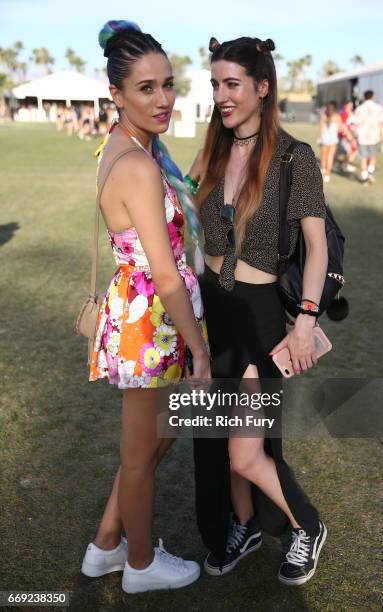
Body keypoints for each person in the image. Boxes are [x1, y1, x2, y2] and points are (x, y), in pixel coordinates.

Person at [187, 35, 328, 586]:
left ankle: (307, 525)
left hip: (258, 314)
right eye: (216, 84)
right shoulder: (213, 151)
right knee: (223, 445)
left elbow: (316, 247)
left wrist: (307, 322)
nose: (221, 95)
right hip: (211, 310)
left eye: (232, 84)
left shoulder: (296, 157)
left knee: (246, 453)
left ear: (262, 88)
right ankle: (243, 526)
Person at [80, 19, 210, 594]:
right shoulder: (137, 164)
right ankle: (138, 565)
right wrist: (201, 351)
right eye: (146, 89)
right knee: (141, 453)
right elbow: (164, 271)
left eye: (168, 84)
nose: (163, 100)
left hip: (147, 316)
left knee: (158, 439)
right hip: (150, 320)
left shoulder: (128, 145)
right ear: (117, 94)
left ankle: (106, 545)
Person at [354, 90, 383, 184]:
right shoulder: (378, 108)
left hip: (361, 136)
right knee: (372, 156)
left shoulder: (359, 108)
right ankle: (370, 172)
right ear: (372, 96)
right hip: (374, 136)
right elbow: (381, 123)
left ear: (364, 97)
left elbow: (355, 124)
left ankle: (365, 177)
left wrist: (355, 135)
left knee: (363, 157)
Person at [319, 101, 344, 182]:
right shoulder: (337, 117)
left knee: (323, 156)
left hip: (324, 138)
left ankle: (323, 170)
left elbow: (321, 129)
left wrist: (319, 138)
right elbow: (341, 128)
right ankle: (327, 175)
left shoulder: (323, 116)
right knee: (330, 157)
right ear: (335, 108)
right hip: (333, 139)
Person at [338, 100, 357, 173]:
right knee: (350, 151)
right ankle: (344, 165)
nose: (351, 106)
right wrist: (350, 137)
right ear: (345, 106)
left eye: (351, 105)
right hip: (344, 137)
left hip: (349, 136)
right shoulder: (344, 114)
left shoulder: (350, 114)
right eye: (350, 105)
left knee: (352, 151)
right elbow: (342, 126)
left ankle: (344, 165)